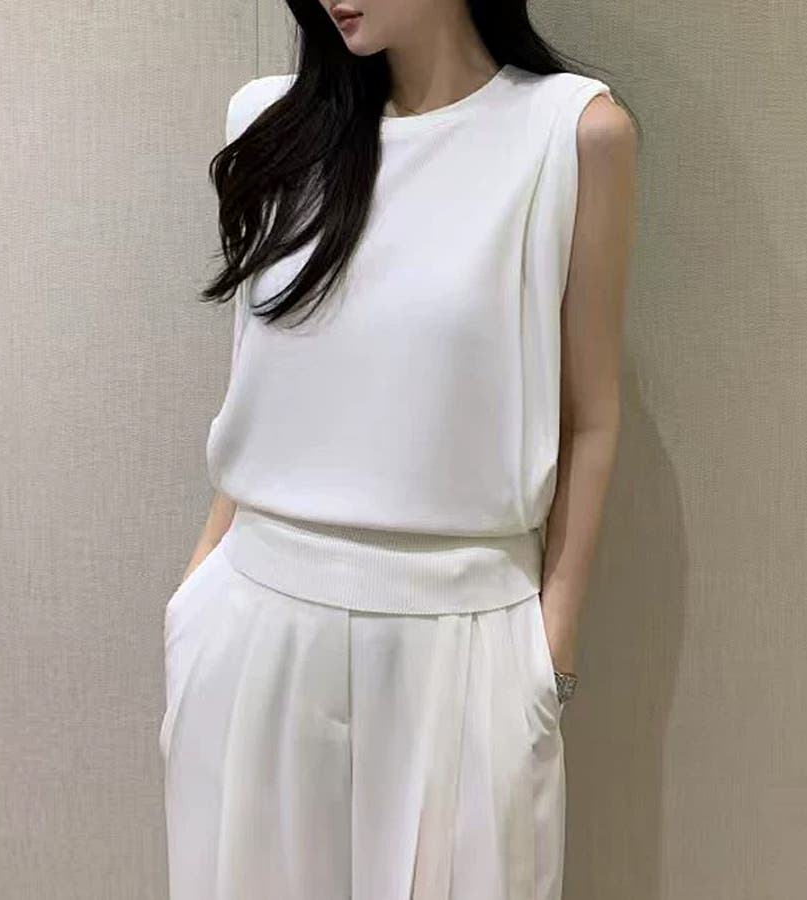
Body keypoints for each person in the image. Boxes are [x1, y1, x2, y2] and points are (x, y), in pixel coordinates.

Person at [159, 0, 638, 897]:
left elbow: (592, 416)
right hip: (253, 629)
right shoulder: (270, 124)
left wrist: (551, 659)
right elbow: (261, 382)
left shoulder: (572, 135)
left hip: (465, 644)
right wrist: (196, 598)